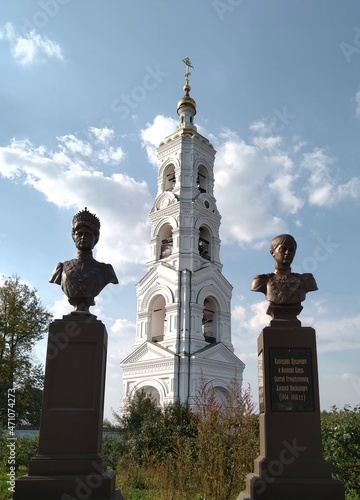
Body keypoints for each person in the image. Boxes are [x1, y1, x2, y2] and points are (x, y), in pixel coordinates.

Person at [49, 207, 118, 313]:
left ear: (96, 238)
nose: (83, 237)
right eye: (79, 233)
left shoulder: (105, 270)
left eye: (88, 234)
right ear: (74, 237)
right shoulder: (62, 268)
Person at [251, 234, 317, 305]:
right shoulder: (261, 281)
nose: (287, 253)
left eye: (291, 250)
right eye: (283, 249)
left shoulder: (306, 280)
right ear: (272, 252)